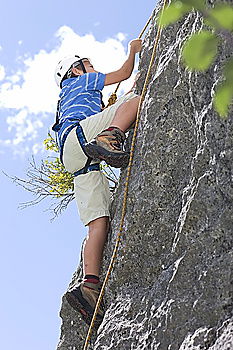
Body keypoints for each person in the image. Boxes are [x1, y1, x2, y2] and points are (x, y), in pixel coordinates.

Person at [53, 38, 142, 327]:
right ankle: (110, 136)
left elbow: (118, 101)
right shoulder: (83, 81)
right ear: (77, 70)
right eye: (89, 65)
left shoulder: (68, 97)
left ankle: (89, 285)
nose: (93, 69)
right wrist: (133, 52)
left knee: (97, 221)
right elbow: (124, 74)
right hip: (82, 137)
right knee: (138, 102)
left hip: (74, 156)